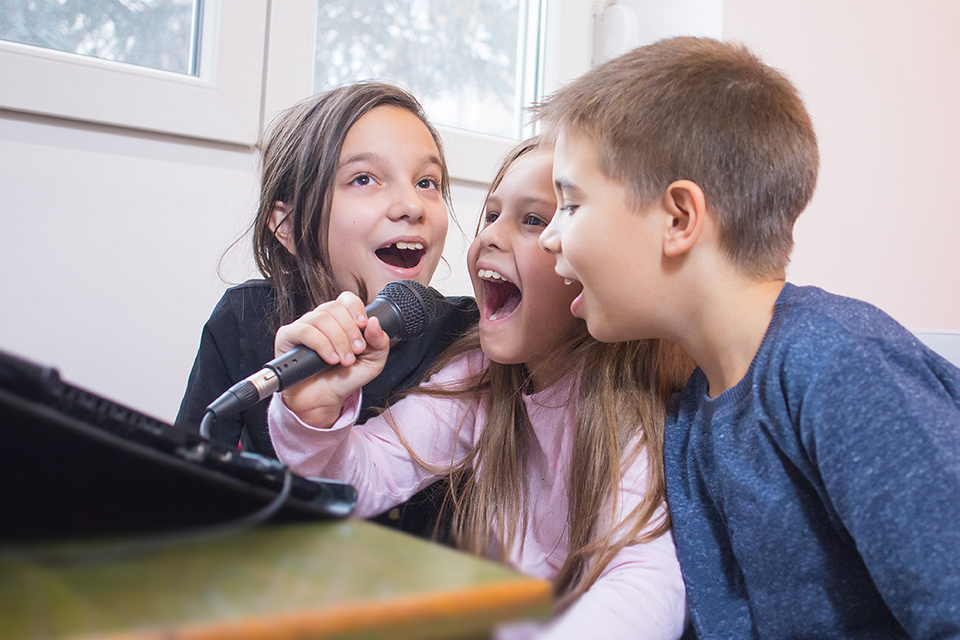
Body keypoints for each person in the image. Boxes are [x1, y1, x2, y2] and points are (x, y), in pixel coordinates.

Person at [535, 36, 960, 638]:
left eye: (571, 206)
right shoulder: (691, 417)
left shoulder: (837, 366)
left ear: (679, 219)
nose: (551, 237)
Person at [268, 138, 694, 638]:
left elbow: (647, 585)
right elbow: (360, 478)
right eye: (490, 215)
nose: (490, 236)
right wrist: (313, 417)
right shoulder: (479, 379)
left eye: (533, 220)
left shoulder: (633, 410)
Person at [175, 82, 478, 536]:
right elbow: (187, 494)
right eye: (363, 179)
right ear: (289, 226)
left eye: (426, 182)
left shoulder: (468, 338)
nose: (412, 205)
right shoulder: (243, 319)